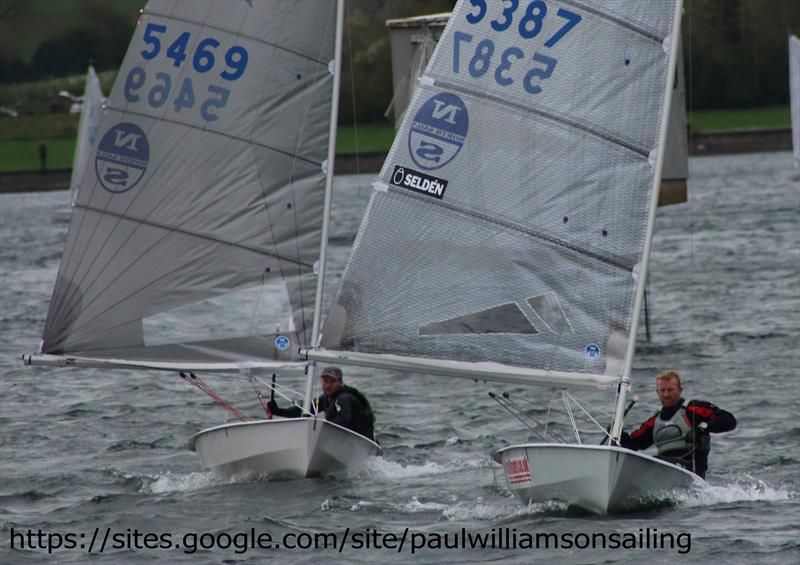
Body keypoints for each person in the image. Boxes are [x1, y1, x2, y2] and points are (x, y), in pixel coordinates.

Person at [619, 370, 736, 478]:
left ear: (680, 390)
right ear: (657, 392)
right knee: (647, 463)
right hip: (663, 467)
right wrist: (617, 434)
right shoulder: (654, 421)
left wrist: (701, 428)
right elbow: (632, 444)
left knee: (656, 463)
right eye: (662, 390)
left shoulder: (694, 408)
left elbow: (729, 420)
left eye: (670, 390)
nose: (666, 394)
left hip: (693, 471)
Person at [267, 366, 376, 442]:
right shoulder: (327, 398)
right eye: (325, 381)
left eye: (332, 382)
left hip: (362, 442)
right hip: (346, 442)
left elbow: (345, 419)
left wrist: (319, 432)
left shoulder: (344, 398)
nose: (327, 386)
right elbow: (302, 410)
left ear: (340, 382)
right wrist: (278, 410)